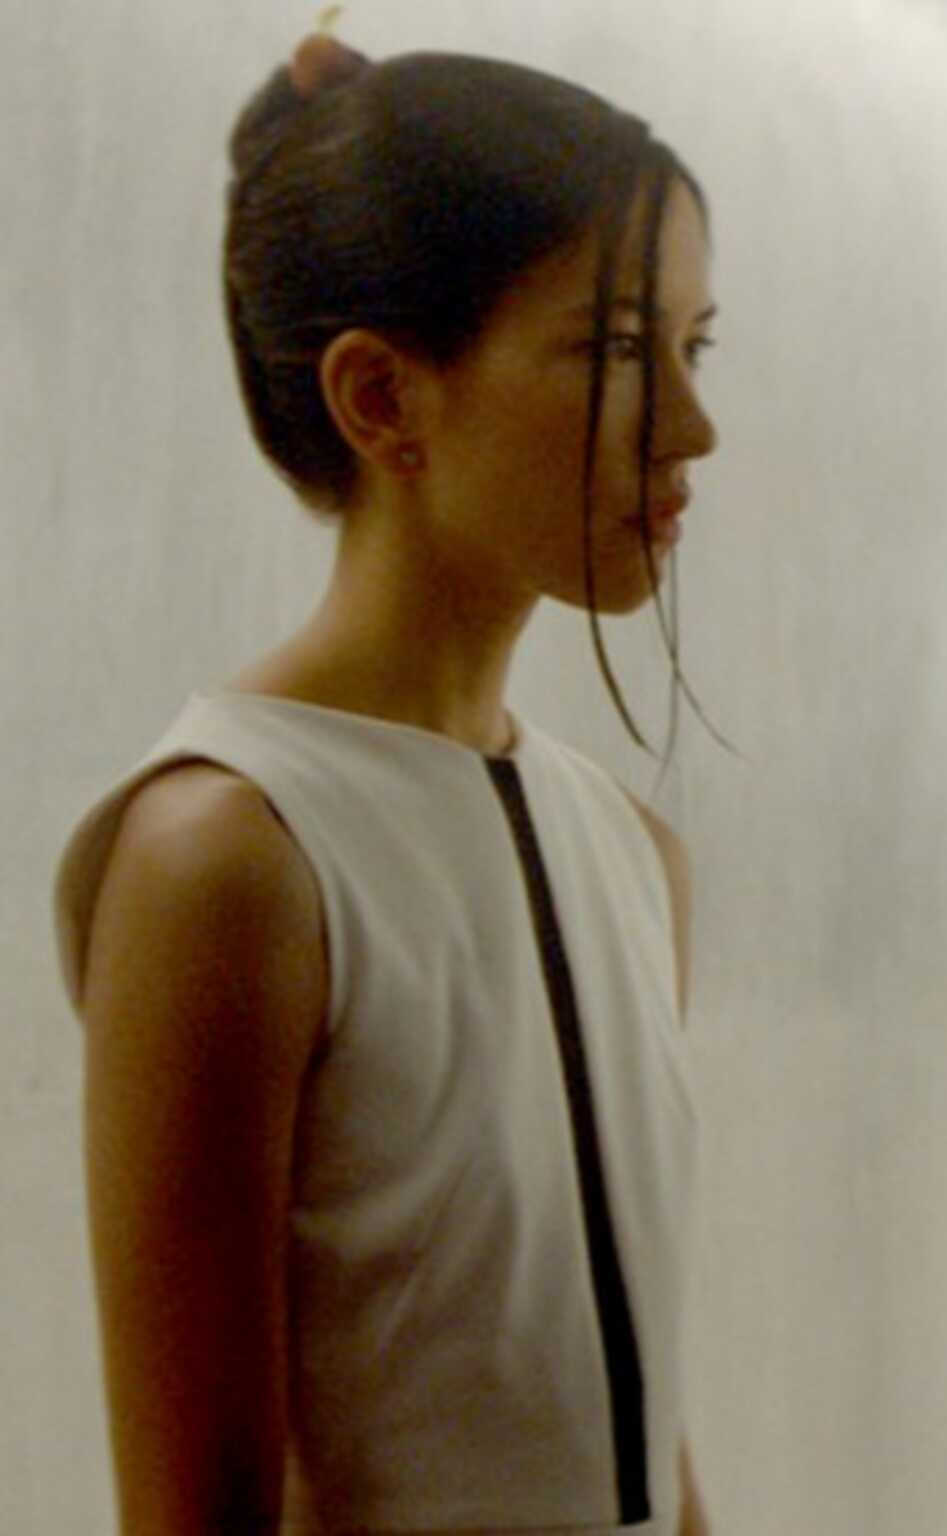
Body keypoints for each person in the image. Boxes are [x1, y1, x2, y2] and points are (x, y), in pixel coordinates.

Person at [52, 29, 718, 1536]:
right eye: (619, 352)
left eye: (697, 347)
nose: (693, 426)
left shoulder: (631, 850)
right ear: (380, 398)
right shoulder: (228, 856)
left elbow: (647, 1444)